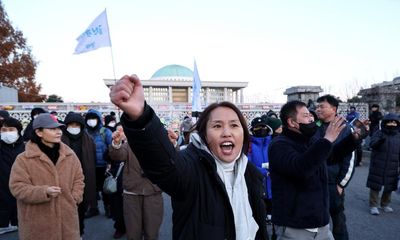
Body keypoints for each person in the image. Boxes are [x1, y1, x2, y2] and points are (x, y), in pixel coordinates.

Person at [110, 75, 268, 240]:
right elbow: (165, 165)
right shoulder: (192, 168)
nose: (227, 132)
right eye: (217, 126)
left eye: (234, 125)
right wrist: (141, 117)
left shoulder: (250, 174)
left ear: (243, 132)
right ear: (204, 135)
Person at [268, 100, 346, 240]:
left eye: (311, 115)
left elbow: (330, 156)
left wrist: (354, 138)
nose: (311, 118)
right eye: (306, 115)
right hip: (295, 227)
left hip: (321, 223)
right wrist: (327, 140)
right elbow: (300, 168)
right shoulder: (279, 145)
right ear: (292, 122)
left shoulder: (310, 140)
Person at [9, 113, 84, 240]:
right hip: (37, 221)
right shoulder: (24, 159)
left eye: (59, 128)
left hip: (67, 218)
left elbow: (79, 179)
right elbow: (17, 187)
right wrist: (43, 192)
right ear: (39, 132)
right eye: (52, 129)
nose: (58, 132)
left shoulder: (70, 155)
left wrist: (75, 197)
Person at [315, 95, 364, 240]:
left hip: (333, 183)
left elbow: (350, 158)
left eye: (321, 106)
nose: (318, 110)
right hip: (315, 182)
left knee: (338, 221)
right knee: (315, 219)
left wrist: (341, 183)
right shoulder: (315, 126)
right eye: (317, 107)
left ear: (333, 109)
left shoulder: (345, 128)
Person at [109, 124, 163, 240]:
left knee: (152, 232)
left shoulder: (159, 144)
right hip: (131, 193)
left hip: (153, 192)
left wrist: (173, 143)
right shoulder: (129, 145)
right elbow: (117, 156)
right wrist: (117, 144)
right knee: (133, 233)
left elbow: (172, 158)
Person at [61, 112, 97, 237]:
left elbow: (93, 161)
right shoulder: (60, 139)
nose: (74, 127)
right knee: (64, 210)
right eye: (71, 124)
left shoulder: (88, 140)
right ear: (66, 126)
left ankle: (79, 233)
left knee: (80, 210)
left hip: (82, 180)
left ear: (81, 126)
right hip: (64, 180)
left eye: (77, 125)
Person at [367, 113, 400, 215]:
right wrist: (380, 141)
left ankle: (385, 204)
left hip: (393, 165)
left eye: (394, 122)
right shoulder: (379, 133)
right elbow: (372, 144)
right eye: (390, 122)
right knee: (375, 186)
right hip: (378, 164)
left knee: (389, 186)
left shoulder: (399, 136)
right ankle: (373, 205)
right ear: (385, 123)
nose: (392, 124)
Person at [84, 109, 113, 218]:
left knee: (106, 189)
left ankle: (108, 208)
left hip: (104, 165)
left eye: (94, 118)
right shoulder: (84, 132)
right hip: (89, 166)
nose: (91, 121)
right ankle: (93, 208)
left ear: (98, 119)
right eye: (89, 119)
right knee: (91, 189)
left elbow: (111, 148)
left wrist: (110, 162)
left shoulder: (105, 132)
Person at [0, 117, 25, 235]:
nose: (7, 133)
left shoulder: (27, 147)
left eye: (11, 129)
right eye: (3, 130)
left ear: (18, 131)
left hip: (22, 188)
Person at [247, 117, 273, 221]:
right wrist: (263, 172)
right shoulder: (249, 145)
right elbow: (248, 164)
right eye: (257, 128)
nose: (261, 130)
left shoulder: (273, 142)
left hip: (272, 181)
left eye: (263, 127)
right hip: (258, 181)